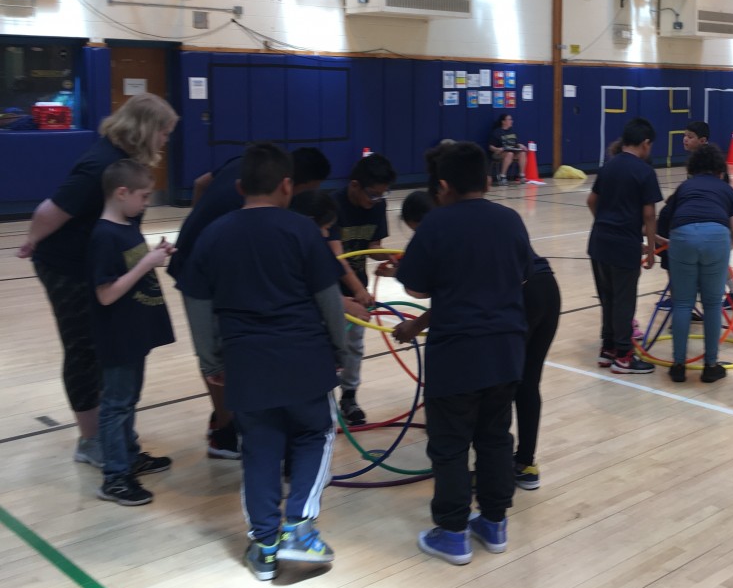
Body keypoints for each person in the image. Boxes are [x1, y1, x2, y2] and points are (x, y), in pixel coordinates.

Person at [183, 143, 347, 582]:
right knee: (316, 433)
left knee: (260, 448)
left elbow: (197, 302)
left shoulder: (213, 234)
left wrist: (209, 360)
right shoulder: (303, 231)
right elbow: (328, 300)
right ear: (287, 186)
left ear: (239, 187)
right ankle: (299, 527)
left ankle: (265, 547)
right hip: (305, 358)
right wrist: (341, 351)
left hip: (246, 363)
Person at [391, 141, 534, 566]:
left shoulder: (436, 225)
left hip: (456, 354)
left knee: (450, 445)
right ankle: (494, 523)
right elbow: (523, 275)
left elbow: (415, 287)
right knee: (494, 438)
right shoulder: (510, 221)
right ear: (488, 181)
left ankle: (453, 533)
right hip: (506, 350)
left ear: (443, 185)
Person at [18, 92, 178, 469]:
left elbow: (125, 226)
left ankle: (116, 437)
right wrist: (31, 240)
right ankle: (91, 441)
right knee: (84, 348)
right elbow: (50, 210)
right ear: (146, 129)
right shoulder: (100, 164)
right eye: (164, 132)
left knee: (108, 346)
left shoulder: (127, 162)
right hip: (66, 266)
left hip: (99, 264)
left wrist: (143, 259)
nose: (166, 140)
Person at [170, 147, 335, 460]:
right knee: (221, 348)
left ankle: (230, 423)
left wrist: (196, 224)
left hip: (193, 251)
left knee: (222, 346)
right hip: (208, 265)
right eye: (308, 191)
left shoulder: (247, 165)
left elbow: (200, 183)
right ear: (290, 184)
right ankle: (225, 430)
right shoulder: (261, 213)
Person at [399, 182, 560, 493]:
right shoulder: (488, 220)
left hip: (523, 296)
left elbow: (456, 291)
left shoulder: (447, 227)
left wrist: (416, 324)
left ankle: (486, 472)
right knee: (526, 382)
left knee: (487, 389)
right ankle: (525, 464)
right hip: (547, 289)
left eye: (417, 230)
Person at [90, 160, 175, 506]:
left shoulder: (126, 226)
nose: (146, 203)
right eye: (144, 196)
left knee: (127, 401)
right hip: (117, 337)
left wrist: (154, 254)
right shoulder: (104, 236)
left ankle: (128, 455)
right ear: (121, 193)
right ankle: (115, 476)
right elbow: (106, 293)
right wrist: (146, 264)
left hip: (133, 333)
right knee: (116, 404)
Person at [657, 144, 733, 383]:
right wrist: (725, 251)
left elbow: (663, 217)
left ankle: (678, 366)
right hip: (717, 238)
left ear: (693, 169)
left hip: (682, 236)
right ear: (719, 170)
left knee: (683, 303)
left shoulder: (685, 186)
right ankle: (710, 366)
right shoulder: (727, 190)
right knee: (713, 305)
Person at [587, 117, 661, 374]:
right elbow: (650, 215)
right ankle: (623, 356)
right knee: (623, 301)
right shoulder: (644, 171)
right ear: (645, 143)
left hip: (598, 243)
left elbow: (591, 201)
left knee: (607, 299)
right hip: (623, 246)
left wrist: (605, 223)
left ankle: (607, 350)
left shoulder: (608, 167)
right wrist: (651, 249)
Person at [333, 152, 396, 426]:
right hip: (330, 289)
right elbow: (333, 259)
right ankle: (320, 403)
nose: (376, 201)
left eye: (382, 195)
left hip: (359, 285)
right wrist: (358, 290)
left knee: (354, 346)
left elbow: (373, 248)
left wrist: (392, 259)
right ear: (354, 185)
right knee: (327, 346)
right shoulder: (332, 206)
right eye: (373, 194)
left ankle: (349, 397)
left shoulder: (377, 206)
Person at [489, 114, 527, 184]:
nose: (511, 121)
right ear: (503, 122)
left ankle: (521, 175)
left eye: (511, 119)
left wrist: (520, 145)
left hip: (512, 151)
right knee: (509, 154)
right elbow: (490, 147)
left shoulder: (512, 131)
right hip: (499, 153)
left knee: (522, 153)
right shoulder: (497, 132)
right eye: (509, 119)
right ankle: (502, 176)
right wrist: (497, 149)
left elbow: (515, 144)